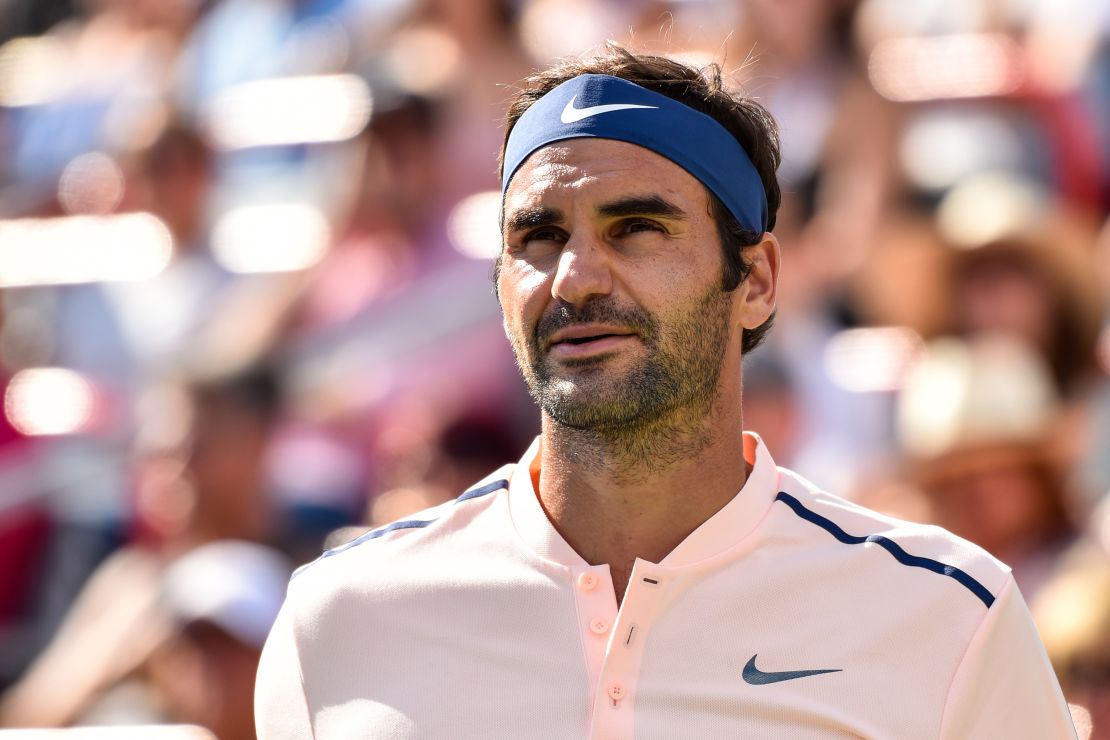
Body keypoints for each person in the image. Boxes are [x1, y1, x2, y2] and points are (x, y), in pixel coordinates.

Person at [255, 47, 1076, 739]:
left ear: (754, 280)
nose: (575, 278)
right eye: (538, 237)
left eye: (636, 228)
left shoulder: (946, 615)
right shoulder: (337, 617)